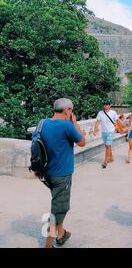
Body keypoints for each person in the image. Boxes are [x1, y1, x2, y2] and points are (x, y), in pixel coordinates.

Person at [34, 98, 86, 248]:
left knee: (59, 203)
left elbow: (36, 146)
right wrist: (74, 122)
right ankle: (48, 244)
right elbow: (82, 142)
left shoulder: (42, 123)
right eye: (71, 110)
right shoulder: (67, 126)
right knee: (58, 210)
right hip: (62, 175)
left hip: (46, 173)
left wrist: (38, 169)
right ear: (67, 111)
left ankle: (61, 234)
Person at [93, 99, 123, 169]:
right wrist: (95, 130)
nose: (106, 106)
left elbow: (118, 120)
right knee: (108, 146)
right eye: (104, 104)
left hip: (111, 131)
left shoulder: (113, 113)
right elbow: (97, 122)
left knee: (107, 145)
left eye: (107, 104)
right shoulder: (100, 113)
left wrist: (123, 127)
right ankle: (111, 158)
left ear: (110, 105)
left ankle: (105, 161)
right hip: (104, 132)